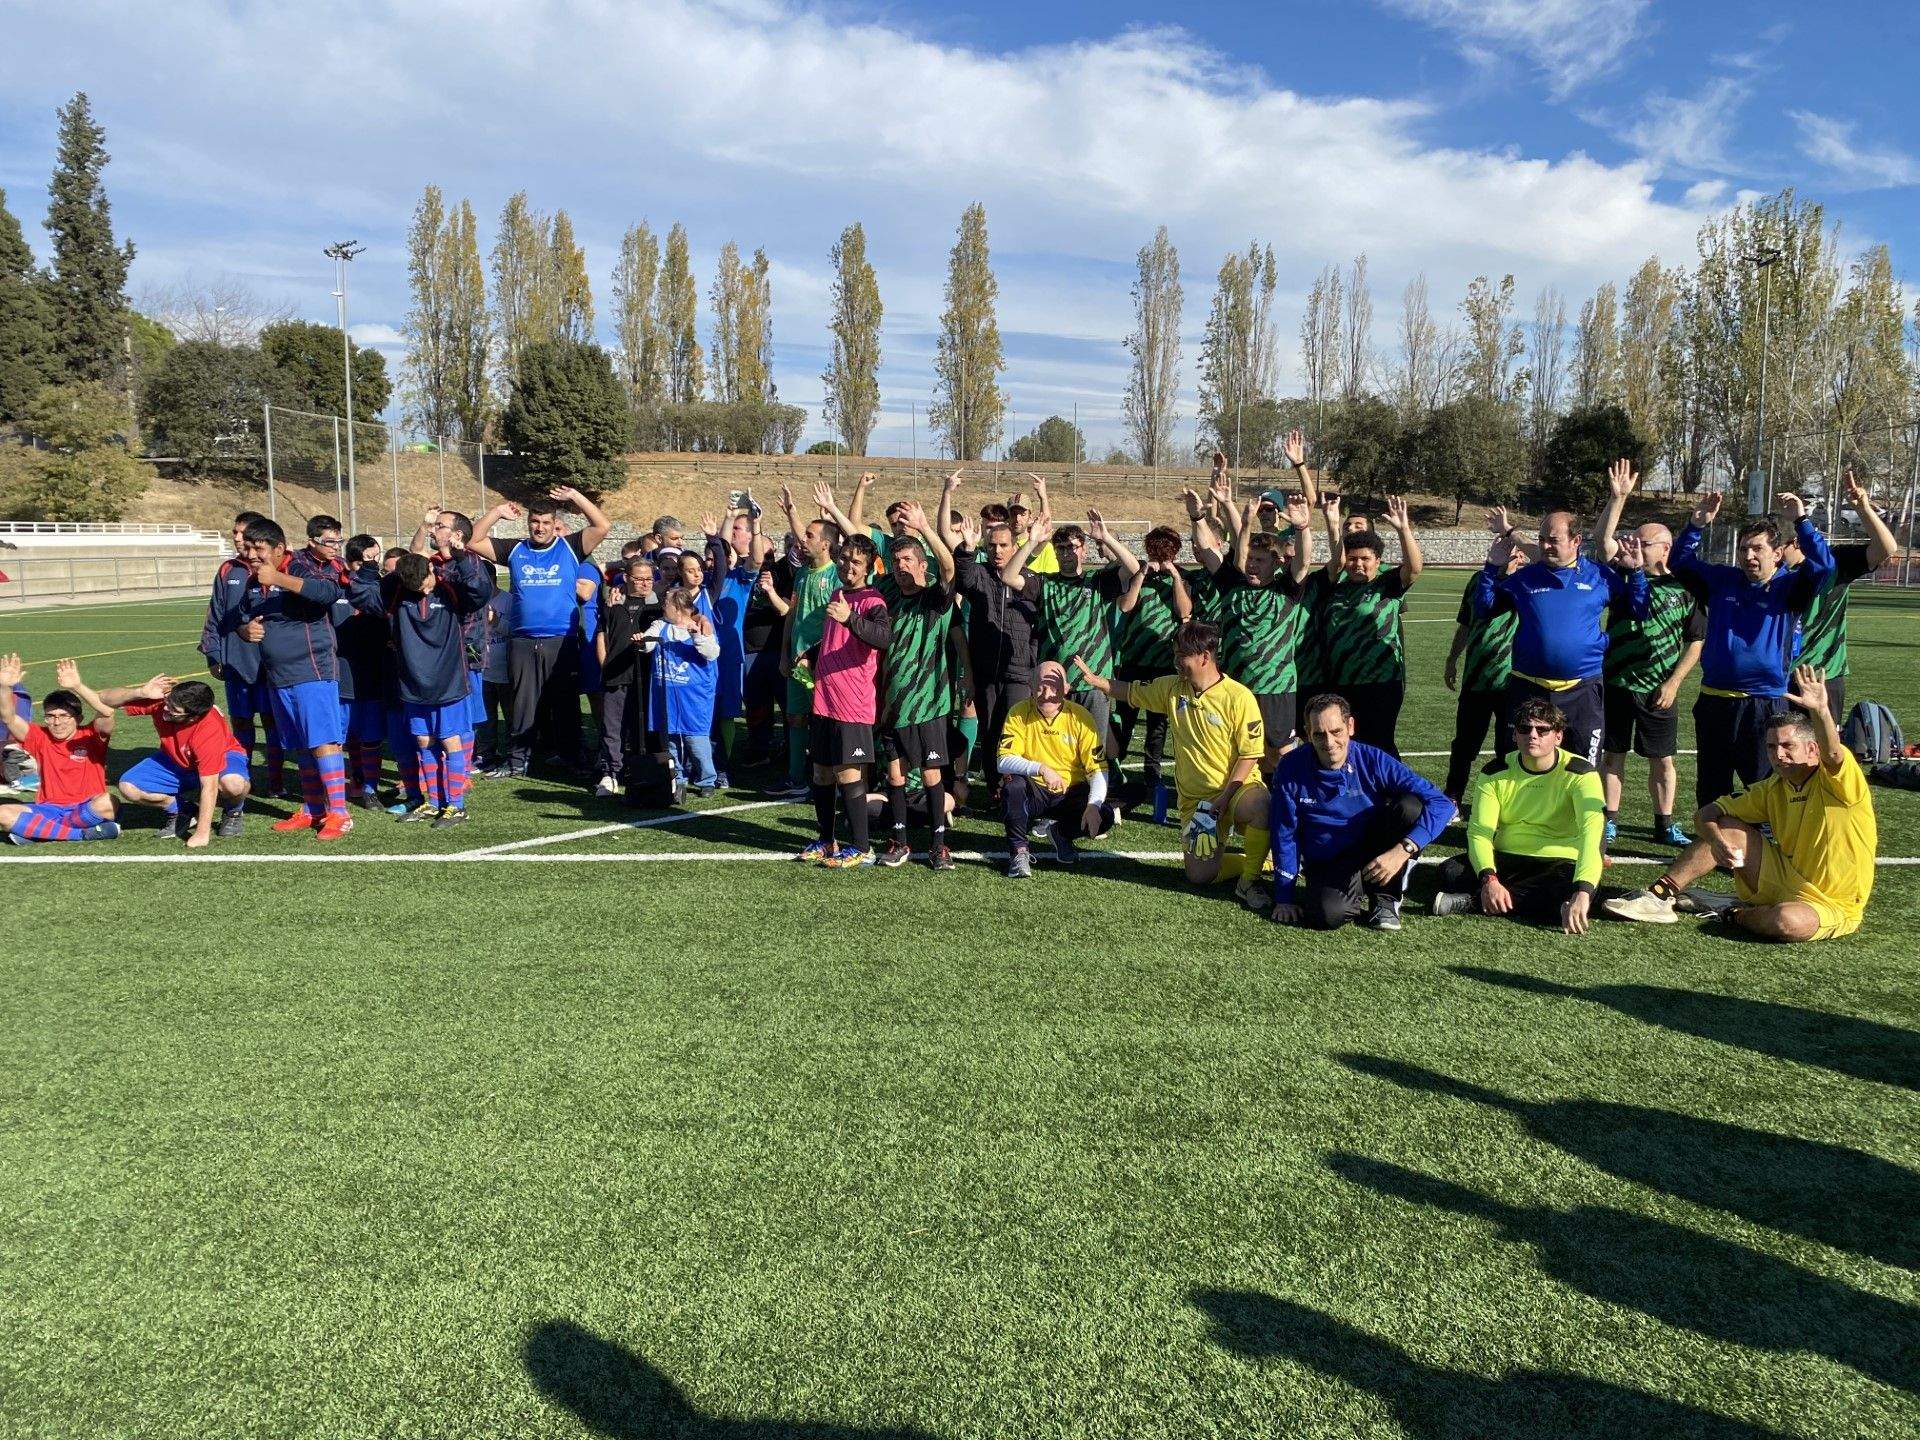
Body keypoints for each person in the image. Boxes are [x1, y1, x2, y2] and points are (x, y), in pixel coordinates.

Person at [1606, 665, 1875, 940]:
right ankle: (1658, 897)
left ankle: (1731, 910)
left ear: (1812, 749)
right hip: (1782, 877)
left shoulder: (1836, 781)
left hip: (1831, 903)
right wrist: (1718, 842)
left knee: (1788, 922)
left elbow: (1833, 753)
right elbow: (1706, 814)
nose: (1778, 755)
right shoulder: (1772, 788)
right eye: (1771, 747)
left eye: (1787, 746)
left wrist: (1820, 710)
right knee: (1726, 828)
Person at [1072, 621, 1270, 904]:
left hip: (1235, 790)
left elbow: (1250, 755)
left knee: (1262, 806)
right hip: (1196, 802)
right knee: (1200, 876)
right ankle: (1259, 860)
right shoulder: (1173, 689)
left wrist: (1224, 799)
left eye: (1182, 656)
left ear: (1204, 656)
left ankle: (1250, 882)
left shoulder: (1239, 697)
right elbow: (1131, 692)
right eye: (1175, 654)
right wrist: (1097, 682)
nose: (1177, 662)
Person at [1670, 488, 1833, 809]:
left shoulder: (1791, 587)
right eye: (1743, 549)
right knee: (1712, 788)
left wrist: (1801, 520)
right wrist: (1696, 524)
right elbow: (1680, 562)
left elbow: (1825, 567)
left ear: (1777, 554)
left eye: (1757, 549)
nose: (1748, 556)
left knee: (1764, 787)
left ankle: (1767, 849)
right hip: (1714, 702)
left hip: (1763, 706)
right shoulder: (1723, 581)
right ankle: (1716, 849)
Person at [1470, 495, 1651, 767]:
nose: (1544, 545)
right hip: (1528, 689)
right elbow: (1484, 609)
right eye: (1542, 538)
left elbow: (1637, 611)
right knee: (1519, 766)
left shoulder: (1599, 576)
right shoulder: (1525, 578)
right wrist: (1491, 567)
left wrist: (1636, 573)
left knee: (1583, 769)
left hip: (1582, 692)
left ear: (1576, 541)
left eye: (1553, 540)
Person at [1268, 694, 1455, 930]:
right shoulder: (1291, 767)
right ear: (1307, 733)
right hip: (1328, 861)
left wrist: (1402, 850)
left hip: (1372, 849)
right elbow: (1284, 831)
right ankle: (1356, 888)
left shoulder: (1373, 759)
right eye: (1319, 734)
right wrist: (1284, 897)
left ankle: (1387, 898)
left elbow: (1442, 803)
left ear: (1350, 726)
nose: (1329, 742)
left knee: (1410, 807)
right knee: (1327, 915)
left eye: (1336, 731)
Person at [1591, 461, 1704, 847]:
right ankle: (1610, 820)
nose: (1633, 546)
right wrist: (1617, 499)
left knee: (1664, 760)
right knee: (1613, 755)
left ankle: (1664, 823)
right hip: (1619, 682)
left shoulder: (1686, 586)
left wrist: (1674, 682)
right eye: (1632, 539)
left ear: (1666, 549)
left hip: (1660, 689)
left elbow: (1696, 640)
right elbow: (1603, 544)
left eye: (1644, 543)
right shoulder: (1622, 576)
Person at [467, 486, 612, 779]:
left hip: (562, 640)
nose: (540, 528)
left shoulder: (570, 546)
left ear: (554, 524)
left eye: (546, 523)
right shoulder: (516, 549)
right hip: (522, 641)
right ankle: (518, 760)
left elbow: (602, 526)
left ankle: (572, 757)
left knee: (565, 704)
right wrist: (496, 512)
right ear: (528, 523)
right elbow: (473, 540)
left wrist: (575, 498)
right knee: (523, 703)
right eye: (535, 522)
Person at [1432, 698, 1606, 934]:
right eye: (1524, 729)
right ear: (1515, 735)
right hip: (1507, 858)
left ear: (1558, 736)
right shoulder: (1495, 772)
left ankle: (1472, 902)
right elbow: (1480, 832)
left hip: (1558, 862)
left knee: (1575, 887)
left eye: (1542, 730)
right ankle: (1542, 906)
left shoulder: (1580, 772)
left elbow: (1591, 834)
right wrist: (1489, 880)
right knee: (1450, 870)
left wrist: (1583, 892)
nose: (1532, 735)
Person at [1185, 489, 1327, 770]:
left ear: (1276, 563)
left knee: (1281, 751)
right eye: (1249, 558)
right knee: (1237, 748)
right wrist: (1197, 517)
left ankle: (1285, 800)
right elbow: (1207, 551)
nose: (1251, 564)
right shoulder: (1231, 584)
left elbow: (1304, 562)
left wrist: (1302, 527)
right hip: (1236, 685)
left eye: (1259, 560)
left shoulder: (1287, 589)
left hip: (1277, 686)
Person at [352, 546, 492, 827]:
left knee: (451, 741)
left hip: (449, 682)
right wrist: (372, 569)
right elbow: (359, 595)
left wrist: (463, 558)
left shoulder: (449, 591)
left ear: (432, 571)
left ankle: (456, 805)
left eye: (426, 582)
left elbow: (480, 591)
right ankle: (433, 802)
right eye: (416, 586)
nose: (425, 590)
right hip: (413, 685)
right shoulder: (396, 594)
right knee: (423, 741)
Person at [1000, 475, 1140, 755]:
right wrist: (1031, 542)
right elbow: (1008, 576)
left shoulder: (1098, 581)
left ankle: (1097, 798)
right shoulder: (1044, 582)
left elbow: (1134, 567)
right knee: (1058, 749)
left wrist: (1107, 537)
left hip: (1093, 678)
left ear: (1083, 549)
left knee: (1093, 748)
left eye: (1072, 547)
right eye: (1061, 548)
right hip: (1055, 682)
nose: (1066, 554)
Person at [240, 516, 354, 839]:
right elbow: (242, 618)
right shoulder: (253, 581)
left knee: (323, 741)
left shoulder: (303, 564)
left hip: (313, 670)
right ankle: (313, 809)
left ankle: (340, 813)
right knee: (301, 745)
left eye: (258, 548)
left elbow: (326, 592)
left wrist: (278, 577)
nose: (251, 555)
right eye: (248, 548)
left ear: (278, 548)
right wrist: (245, 630)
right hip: (278, 675)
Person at [940, 473, 1039, 803]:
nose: (997, 551)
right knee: (991, 731)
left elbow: (1039, 624)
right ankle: (997, 788)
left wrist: (1033, 663)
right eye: (992, 546)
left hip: (1019, 671)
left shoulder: (1028, 578)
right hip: (985, 671)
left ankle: (1019, 787)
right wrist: (967, 552)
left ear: (1015, 546)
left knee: (1016, 731)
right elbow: (963, 578)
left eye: (1003, 545)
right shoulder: (979, 574)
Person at [796, 533, 892, 867]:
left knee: (849, 775)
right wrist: (810, 653)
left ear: (867, 567)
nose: (848, 567)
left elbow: (883, 638)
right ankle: (827, 840)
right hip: (825, 699)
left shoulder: (873, 600)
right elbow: (834, 639)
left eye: (856, 562)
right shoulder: (838, 593)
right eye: (845, 559)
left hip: (852, 703)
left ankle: (862, 847)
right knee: (822, 773)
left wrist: (850, 618)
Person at [872, 503, 958, 870]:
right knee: (895, 775)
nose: (902, 566)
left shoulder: (934, 598)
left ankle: (939, 844)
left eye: (909, 560)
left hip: (928, 705)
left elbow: (951, 567)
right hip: (891, 703)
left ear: (923, 565)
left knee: (930, 774)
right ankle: (901, 841)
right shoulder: (887, 592)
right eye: (898, 561)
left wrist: (925, 529)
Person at [1304, 495, 1423, 756]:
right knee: (1344, 745)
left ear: (1377, 561)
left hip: (1380, 682)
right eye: (1353, 559)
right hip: (1340, 682)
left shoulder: (1386, 584)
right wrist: (1332, 523)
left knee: (1379, 744)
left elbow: (1414, 569)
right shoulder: (1335, 588)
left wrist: (1404, 529)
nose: (1358, 564)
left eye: (1365, 559)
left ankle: (1393, 795)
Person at [1784, 471, 1898, 717]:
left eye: (1776, 546)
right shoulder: (1772, 574)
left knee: (1823, 749)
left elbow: (1887, 548)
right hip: (1780, 674)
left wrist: (1863, 509)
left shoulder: (1837, 561)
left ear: (1794, 543)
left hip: (1824, 676)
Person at [997, 660, 1118, 877]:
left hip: (1068, 794)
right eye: (1041, 686)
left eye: (1055, 687)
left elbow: (1098, 769)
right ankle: (1019, 852)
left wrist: (1093, 804)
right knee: (1012, 786)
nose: (1048, 694)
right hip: (1034, 792)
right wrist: (1041, 768)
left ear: (1067, 689)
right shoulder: (1018, 712)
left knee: (1104, 814)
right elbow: (1003, 761)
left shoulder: (1081, 717)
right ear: (1031, 687)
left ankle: (1061, 833)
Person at [1442, 513, 1525, 808]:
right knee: (1464, 744)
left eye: (1513, 551)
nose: (1509, 557)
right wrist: (1453, 657)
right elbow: (1465, 623)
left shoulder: (1525, 585)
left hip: (1512, 681)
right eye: (1503, 551)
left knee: (1509, 746)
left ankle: (1504, 803)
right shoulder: (1478, 581)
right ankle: (1452, 798)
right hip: (1476, 678)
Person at [110, 677, 252, 845]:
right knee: (129, 788)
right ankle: (183, 810)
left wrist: (201, 834)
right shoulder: (165, 701)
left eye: (174, 709)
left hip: (223, 756)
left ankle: (233, 811)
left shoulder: (208, 731)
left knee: (232, 784)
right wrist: (139, 692)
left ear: (192, 717)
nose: (165, 709)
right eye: (168, 702)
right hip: (176, 758)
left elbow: (210, 787)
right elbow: (105, 699)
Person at [199, 509, 280, 793]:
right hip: (237, 662)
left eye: (242, 533)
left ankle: (276, 781)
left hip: (272, 663)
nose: (236, 538)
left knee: (273, 722)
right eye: (234, 532)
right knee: (242, 721)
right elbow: (216, 614)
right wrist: (214, 654)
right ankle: (242, 777)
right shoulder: (227, 570)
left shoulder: (278, 569)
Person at [0, 655, 121, 843]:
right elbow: (8, 717)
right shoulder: (39, 736)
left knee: (109, 802)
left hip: (87, 806)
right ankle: (78, 834)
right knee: (2, 814)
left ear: (78, 719)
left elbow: (107, 711)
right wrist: (4, 686)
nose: (57, 722)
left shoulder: (91, 735)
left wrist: (76, 686)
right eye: (51, 716)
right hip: (49, 808)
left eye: (64, 716)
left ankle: (40, 831)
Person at [774, 483, 846, 799]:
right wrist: (784, 653)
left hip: (823, 662)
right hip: (796, 657)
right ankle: (796, 777)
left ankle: (824, 778)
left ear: (827, 545)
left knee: (823, 719)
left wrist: (813, 655)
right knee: (795, 717)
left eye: (811, 536)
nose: (804, 540)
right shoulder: (803, 574)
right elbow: (792, 614)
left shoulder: (837, 575)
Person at [642, 586, 723, 797]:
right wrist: (641, 640)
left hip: (694, 698)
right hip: (666, 696)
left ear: (678, 608)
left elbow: (712, 653)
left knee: (695, 740)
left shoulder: (700, 627)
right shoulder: (660, 625)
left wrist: (698, 637)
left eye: (666, 603)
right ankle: (677, 778)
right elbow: (647, 644)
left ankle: (707, 779)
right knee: (670, 739)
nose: (663, 606)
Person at [595, 559, 662, 794]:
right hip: (617, 674)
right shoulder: (613, 603)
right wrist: (605, 665)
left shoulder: (660, 605)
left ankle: (646, 770)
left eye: (648, 579)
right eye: (639, 579)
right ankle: (611, 773)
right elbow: (602, 635)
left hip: (649, 677)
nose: (644, 584)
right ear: (627, 578)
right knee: (613, 727)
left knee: (646, 727)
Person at [334, 534, 391, 809]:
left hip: (373, 672)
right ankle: (346, 785)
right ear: (355, 562)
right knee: (341, 737)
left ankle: (370, 789)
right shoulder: (336, 587)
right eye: (371, 557)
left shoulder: (381, 586)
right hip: (341, 673)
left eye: (377, 557)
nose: (375, 562)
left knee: (371, 736)